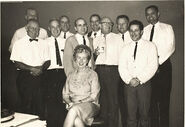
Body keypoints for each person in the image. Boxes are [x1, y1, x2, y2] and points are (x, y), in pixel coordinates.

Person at [118, 20, 158, 127]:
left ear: (141, 31)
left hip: (144, 85)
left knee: (144, 116)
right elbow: (121, 67)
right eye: (131, 30)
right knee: (130, 117)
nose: (133, 33)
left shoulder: (150, 46)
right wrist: (129, 80)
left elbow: (153, 66)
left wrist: (139, 79)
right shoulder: (125, 48)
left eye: (136, 30)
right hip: (129, 85)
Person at [10, 19, 50, 118]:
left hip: (41, 75)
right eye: (32, 28)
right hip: (25, 77)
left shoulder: (44, 43)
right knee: (26, 105)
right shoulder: (18, 43)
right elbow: (16, 63)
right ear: (27, 29)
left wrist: (41, 68)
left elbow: (48, 61)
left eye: (37, 29)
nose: (35, 31)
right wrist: (31, 69)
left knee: (41, 104)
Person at [142, 5, 175, 127]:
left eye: (152, 13)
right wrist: (150, 65)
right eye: (147, 14)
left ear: (158, 14)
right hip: (149, 69)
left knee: (164, 101)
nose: (150, 16)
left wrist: (157, 62)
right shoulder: (144, 30)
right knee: (152, 102)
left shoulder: (167, 28)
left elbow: (171, 47)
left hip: (163, 67)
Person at [93, 17, 123, 127]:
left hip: (113, 71)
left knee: (113, 100)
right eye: (105, 23)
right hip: (99, 70)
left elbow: (122, 56)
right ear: (100, 25)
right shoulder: (95, 38)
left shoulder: (118, 38)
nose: (108, 25)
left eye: (110, 23)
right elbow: (92, 59)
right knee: (102, 100)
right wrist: (95, 54)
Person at [63, 45, 100, 127]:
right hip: (74, 105)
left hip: (90, 105)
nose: (81, 61)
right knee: (76, 120)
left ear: (88, 60)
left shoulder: (93, 74)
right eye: (79, 57)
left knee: (73, 110)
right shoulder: (70, 75)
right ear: (75, 59)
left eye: (84, 58)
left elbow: (93, 96)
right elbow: (65, 95)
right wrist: (69, 103)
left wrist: (77, 103)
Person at [43, 18, 67, 127]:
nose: (56, 29)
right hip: (49, 74)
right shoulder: (44, 42)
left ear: (60, 28)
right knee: (51, 103)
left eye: (58, 27)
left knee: (63, 102)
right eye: (53, 27)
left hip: (63, 73)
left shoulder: (66, 41)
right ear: (49, 28)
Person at [116, 14, 132, 127]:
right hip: (117, 75)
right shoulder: (114, 38)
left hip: (131, 75)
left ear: (128, 24)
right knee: (122, 103)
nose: (121, 26)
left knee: (133, 105)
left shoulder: (134, 37)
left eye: (124, 23)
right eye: (119, 24)